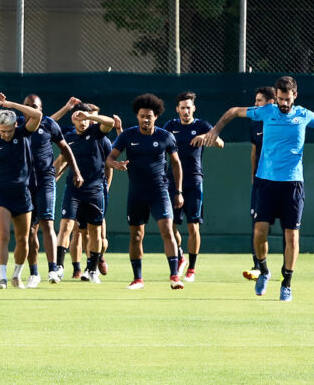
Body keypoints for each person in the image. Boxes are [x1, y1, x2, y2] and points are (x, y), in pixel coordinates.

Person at [194, 76, 314, 302]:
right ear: (276, 96)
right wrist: (215, 130)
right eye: (280, 98)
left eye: (287, 99)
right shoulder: (266, 111)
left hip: (293, 185)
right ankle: (264, 271)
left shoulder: (304, 115)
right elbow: (233, 111)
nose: (284, 103)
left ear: (295, 96)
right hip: (265, 183)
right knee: (259, 232)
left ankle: (287, 283)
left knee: (291, 236)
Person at [106, 93, 184, 291]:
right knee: (136, 236)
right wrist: (116, 165)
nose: (145, 119)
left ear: (155, 117)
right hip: (136, 193)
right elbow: (109, 159)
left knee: (167, 230)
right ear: (137, 116)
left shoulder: (165, 136)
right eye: (142, 116)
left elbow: (176, 164)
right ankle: (137, 279)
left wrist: (179, 191)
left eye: (149, 116)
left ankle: (175, 276)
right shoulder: (127, 136)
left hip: (159, 191)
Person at [0, 91, 43, 289]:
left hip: (23, 195)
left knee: (23, 238)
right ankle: (3, 278)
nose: (5, 134)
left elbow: (37, 116)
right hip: (2, 195)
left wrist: (11, 104)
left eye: (9, 130)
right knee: (3, 234)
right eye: (2, 131)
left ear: (15, 126)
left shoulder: (24, 133)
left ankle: (17, 275)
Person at [162, 92, 222, 282]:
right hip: (171, 181)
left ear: (193, 108)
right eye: (182, 107)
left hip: (194, 181)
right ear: (177, 109)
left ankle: (192, 269)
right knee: (169, 226)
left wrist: (205, 137)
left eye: (189, 107)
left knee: (193, 226)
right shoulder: (170, 126)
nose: (186, 111)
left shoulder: (202, 125)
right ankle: (180, 256)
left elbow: (220, 143)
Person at [21, 94, 77, 286]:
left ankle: (53, 269)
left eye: (34, 106)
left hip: (45, 180)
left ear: (40, 108)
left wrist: (76, 171)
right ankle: (33, 272)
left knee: (47, 224)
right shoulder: (16, 125)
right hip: (24, 182)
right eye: (27, 105)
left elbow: (65, 148)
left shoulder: (49, 124)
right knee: (29, 231)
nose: (30, 108)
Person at [56, 103, 113, 283]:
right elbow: (61, 161)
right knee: (66, 226)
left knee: (95, 231)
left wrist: (89, 116)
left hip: (95, 189)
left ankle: (92, 270)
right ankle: (58, 267)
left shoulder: (97, 134)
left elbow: (109, 122)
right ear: (73, 119)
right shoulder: (69, 137)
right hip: (73, 189)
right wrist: (50, 178)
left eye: (85, 118)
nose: (83, 122)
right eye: (79, 118)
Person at [243, 86, 276, 281]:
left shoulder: (281, 122)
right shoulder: (255, 124)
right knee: (257, 224)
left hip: (283, 181)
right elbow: (254, 152)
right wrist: (253, 177)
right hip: (260, 184)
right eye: (255, 101)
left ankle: (286, 270)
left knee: (289, 229)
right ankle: (258, 266)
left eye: (259, 101)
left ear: (270, 103)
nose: (255, 105)